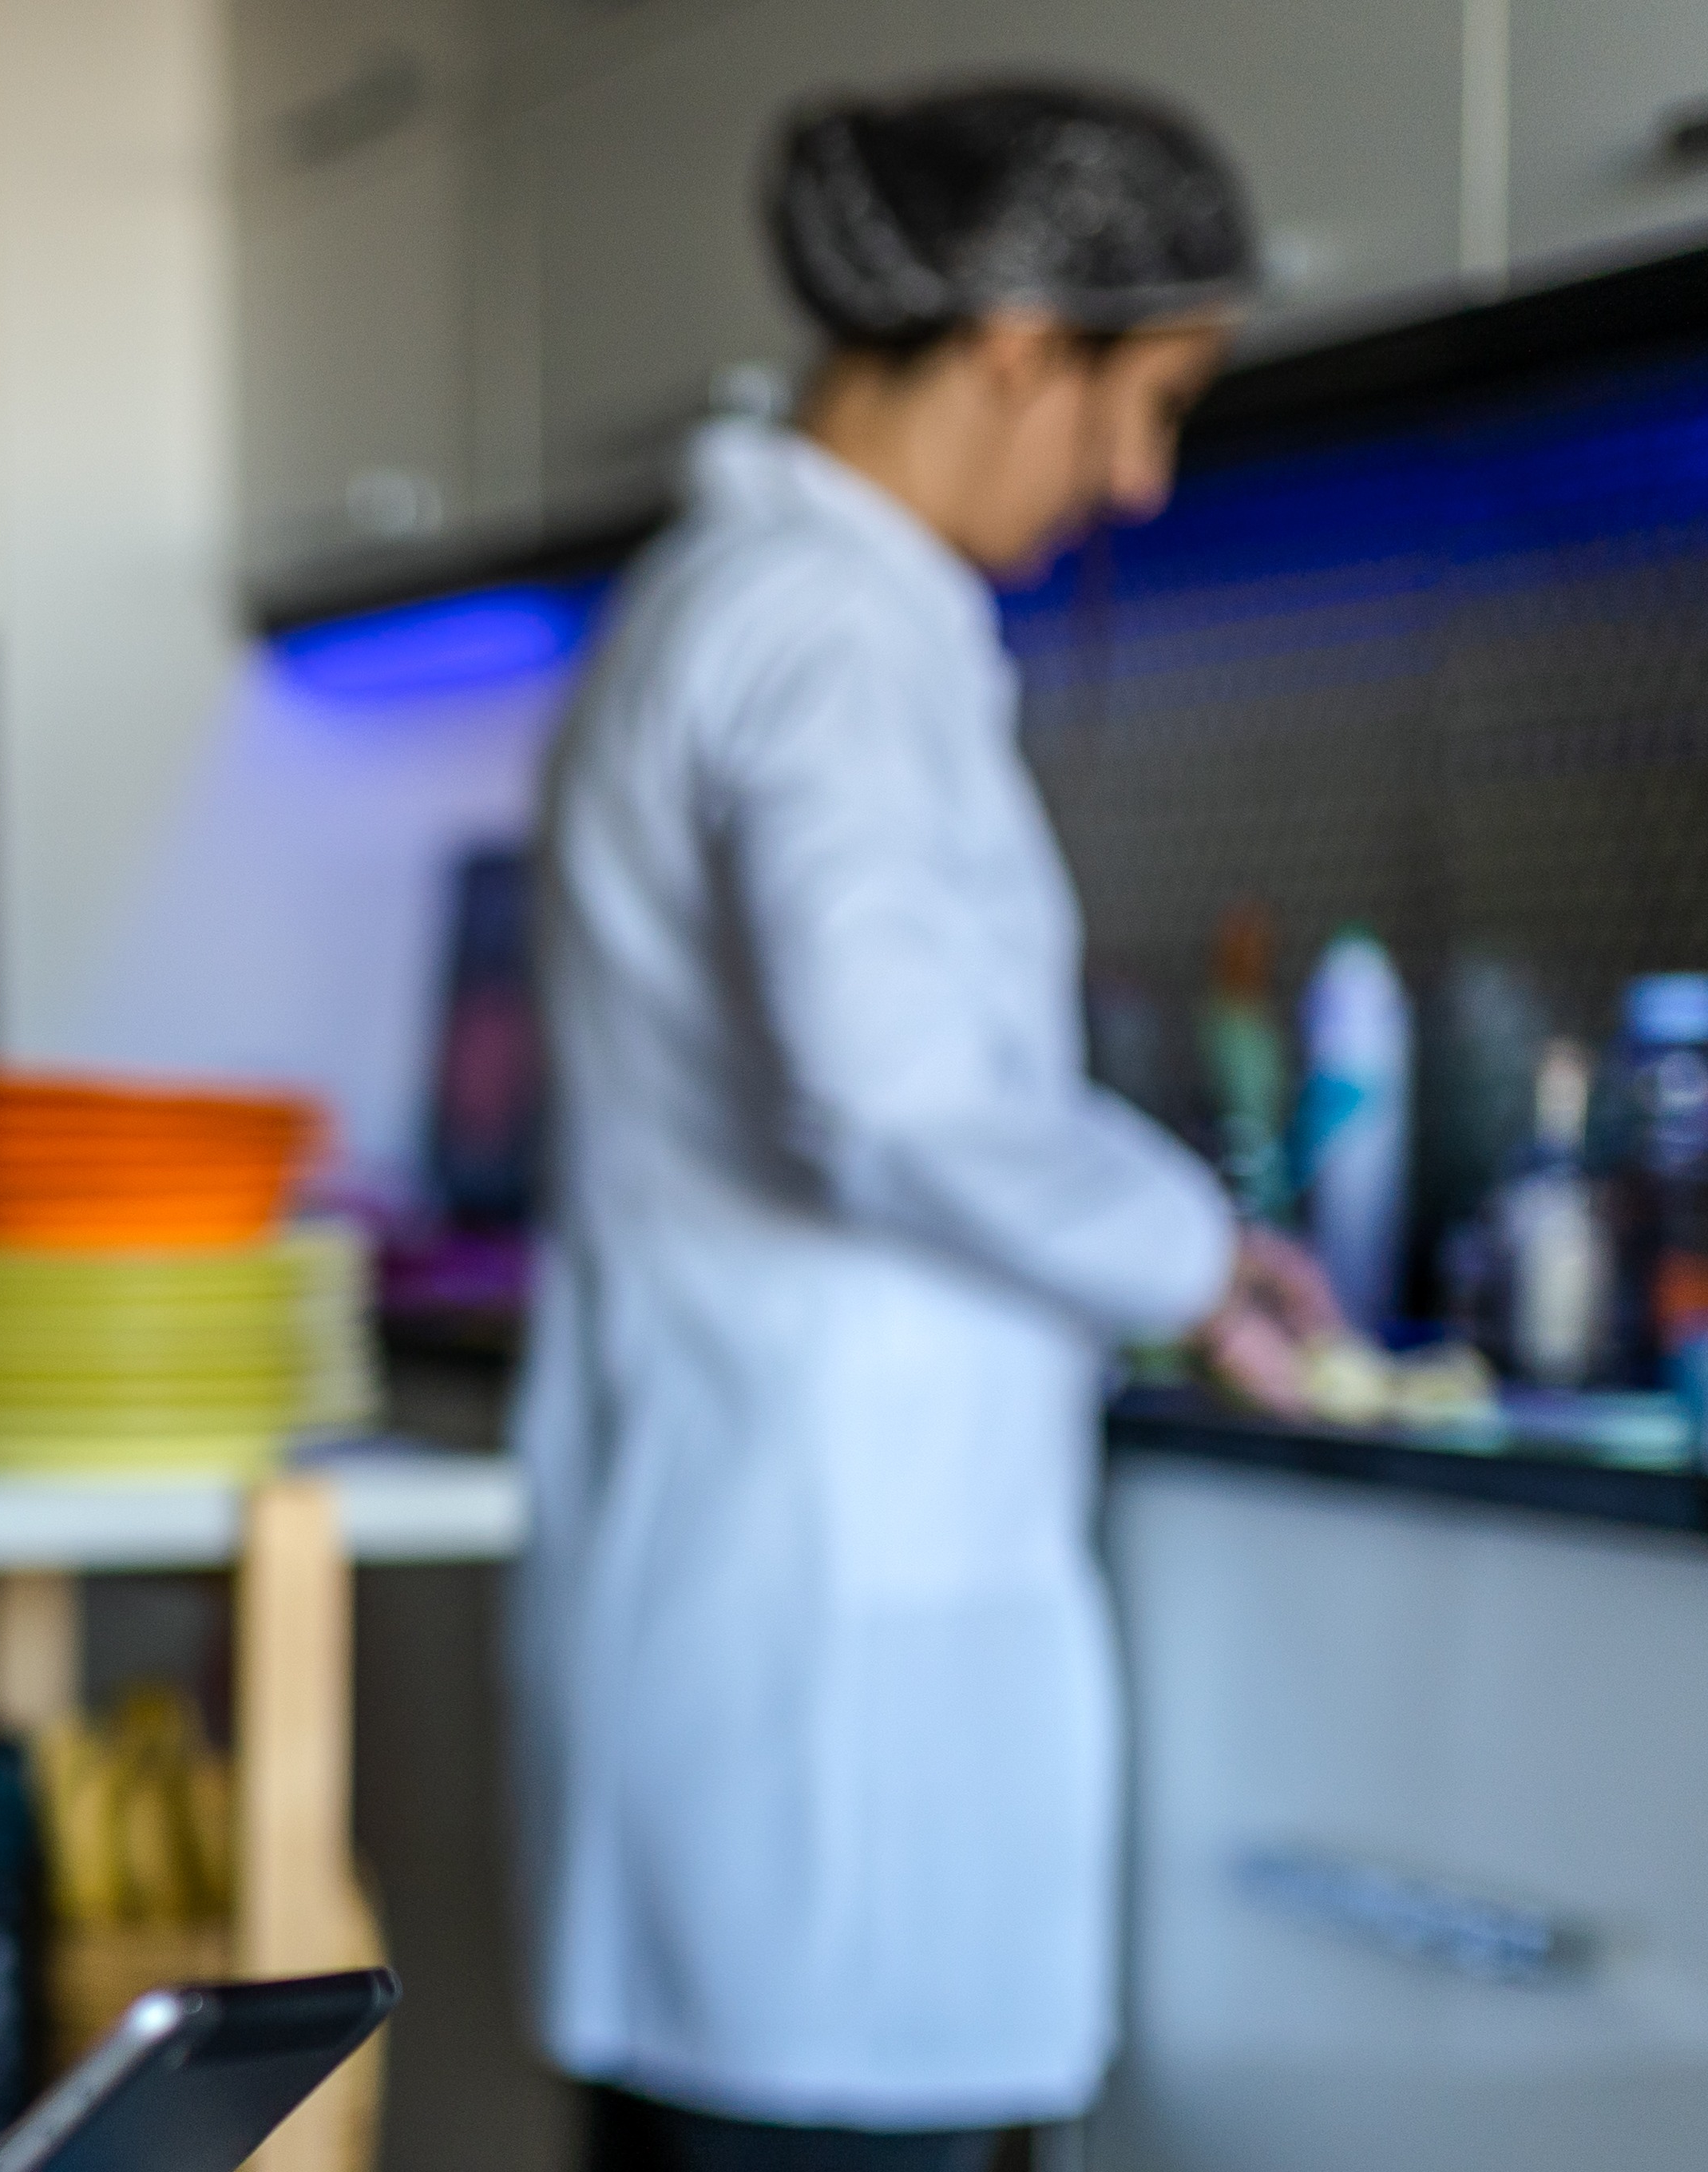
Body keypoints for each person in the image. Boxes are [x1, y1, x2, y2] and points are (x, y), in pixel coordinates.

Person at [512, 82, 1344, 2172]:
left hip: (754, 1633)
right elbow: (891, 1096)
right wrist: (1196, 1256)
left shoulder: (726, 601)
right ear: (1008, 347)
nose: (1141, 481)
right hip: (825, 1716)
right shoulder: (831, 633)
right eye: (1143, 402)